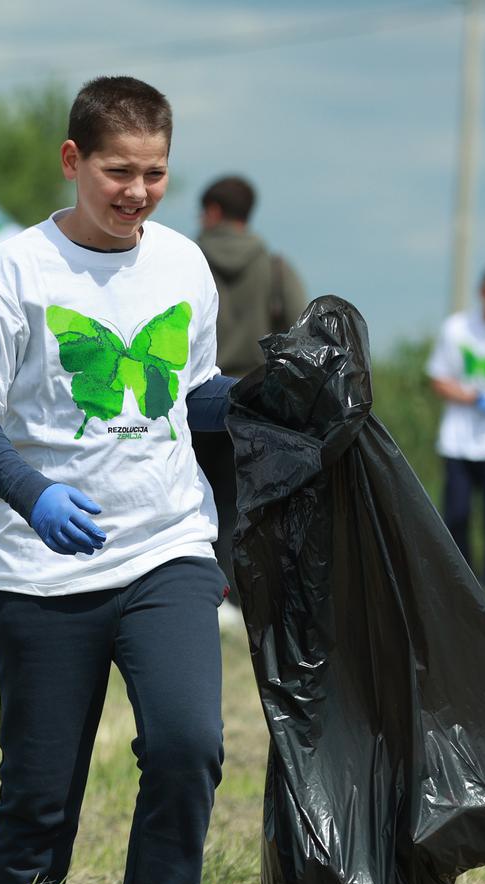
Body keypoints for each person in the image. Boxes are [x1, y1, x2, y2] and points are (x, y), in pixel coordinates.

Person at [0, 75, 235, 884]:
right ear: (73, 161)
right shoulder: (15, 272)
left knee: (188, 747)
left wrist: (274, 408)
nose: (137, 191)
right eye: (118, 171)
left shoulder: (185, 266)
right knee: (38, 792)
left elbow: (195, 399)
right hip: (43, 568)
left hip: (168, 550)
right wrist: (31, 494)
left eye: (154, 173)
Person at [194, 175, 306, 603]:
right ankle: (248, 598)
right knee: (248, 507)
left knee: (196, 501)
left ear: (215, 211)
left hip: (195, 399)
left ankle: (208, 594)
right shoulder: (275, 268)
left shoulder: (185, 262)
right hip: (256, 404)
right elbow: (300, 334)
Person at [426, 267, 485, 596]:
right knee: (456, 514)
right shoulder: (457, 329)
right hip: (459, 440)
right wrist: (471, 397)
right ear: (483, 295)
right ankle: (464, 584)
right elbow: (438, 379)